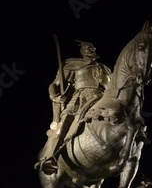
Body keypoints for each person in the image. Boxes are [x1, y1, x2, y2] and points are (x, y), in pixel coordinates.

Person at [36, 40, 111, 175]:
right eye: (88, 47)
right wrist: (55, 97)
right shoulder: (73, 65)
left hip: (102, 98)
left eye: (93, 47)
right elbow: (54, 84)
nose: (91, 49)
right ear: (82, 51)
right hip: (81, 98)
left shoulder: (106, 69)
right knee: (64, 123)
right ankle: (49, 157)